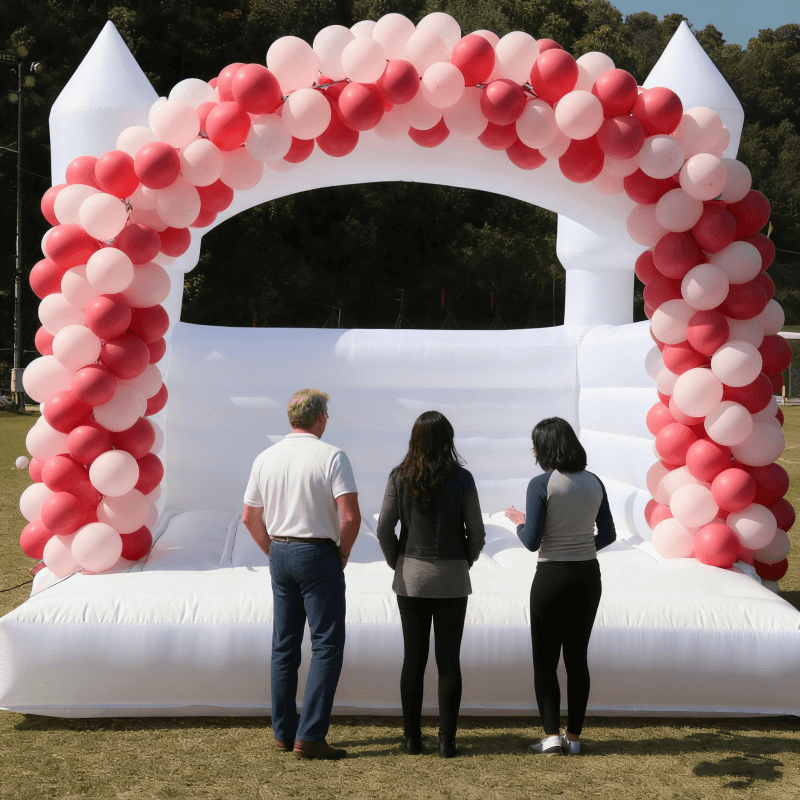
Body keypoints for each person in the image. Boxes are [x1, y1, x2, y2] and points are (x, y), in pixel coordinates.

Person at [242, 389, 361, 761]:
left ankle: (283, 732)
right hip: (318, 553)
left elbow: (249, 516)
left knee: (284, 644)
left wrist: (272, 550)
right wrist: (341, 553)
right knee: (326, 645)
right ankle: (310, 736)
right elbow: (350, 517)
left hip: (280, 550)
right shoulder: (332, 456)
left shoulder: (266, 457)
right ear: (320, 417)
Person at [376, 410, 485, 758]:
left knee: (414, 659)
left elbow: (383, 530)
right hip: (453, 577)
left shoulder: (399, 476)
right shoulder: (463, 479)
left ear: (415, 440)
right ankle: (447, 742)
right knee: (449, 662)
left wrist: (399, 564)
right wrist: (465, 559)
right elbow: (477, 533)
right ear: (448, 440)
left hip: (411, 577)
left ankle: (411, 740)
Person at [505, 417, 615, 756]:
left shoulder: (541, 484)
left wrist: (519, 521)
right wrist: (581, 548)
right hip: (587, 577)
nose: (533, 451)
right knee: (577, 659)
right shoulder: (595, 481)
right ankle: (575, 739)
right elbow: (608, 534)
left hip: (551, 577)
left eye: (535, 445)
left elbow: (532, 541)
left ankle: (551, 738)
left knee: (546, 662)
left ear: (546, 448)